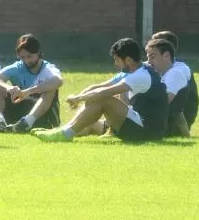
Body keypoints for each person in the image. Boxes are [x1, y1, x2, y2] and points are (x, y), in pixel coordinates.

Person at [34, 38, 168, 143]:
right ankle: (62, 131)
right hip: (139, 123)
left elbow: (104, 93)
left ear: (128, 60)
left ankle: (65, 134)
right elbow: (99, 87)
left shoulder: (141, 76)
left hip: (147, 132)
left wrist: (78, 99)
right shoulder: (136, 69)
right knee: (95, 101)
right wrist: (81, 95)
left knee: (103, 100)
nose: (115, 64)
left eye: (116, 60)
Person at [0, 34, 64, 134]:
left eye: (30, 56)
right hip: (19, 109)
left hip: (42, 116)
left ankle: (27, 122)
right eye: (22, 57)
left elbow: (58, 81)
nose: (26, 61)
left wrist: (27, 92)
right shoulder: (18, 67)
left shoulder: (48, 69)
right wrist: (8, 87)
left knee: (50, 89)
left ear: (38, 53)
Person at [144, 37, 197, 137]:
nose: (149, 62)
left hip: (162, 127)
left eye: (152, 56)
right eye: (148, 57)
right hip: (155, 122)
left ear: (166, 55)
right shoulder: (158, 70)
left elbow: (163, 102)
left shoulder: (176, 73)